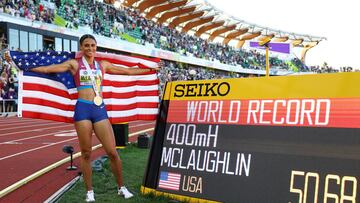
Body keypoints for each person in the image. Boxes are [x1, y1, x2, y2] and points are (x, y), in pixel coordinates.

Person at [6, 34, 160, 202]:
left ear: (96, 47)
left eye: (93, 45)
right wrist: (18, 63)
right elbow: (49, 69)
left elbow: (128, 71)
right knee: (86, 153)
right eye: (86, 45)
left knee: (112, 152)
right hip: (82, 110)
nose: (90, 48)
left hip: (99, 109)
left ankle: (121, 187)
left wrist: (151, 69)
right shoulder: (74, 64)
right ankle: (89, 191)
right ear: (81, 47)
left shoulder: (103, 65)